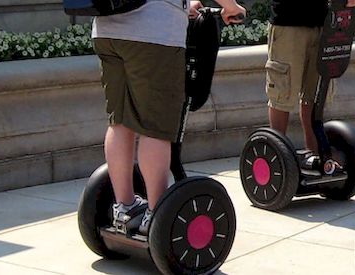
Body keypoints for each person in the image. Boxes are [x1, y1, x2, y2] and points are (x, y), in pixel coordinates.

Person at [93, 0, 245, 235]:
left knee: (120, 122)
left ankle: (124, 208)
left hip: (107, 31)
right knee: (155, 128)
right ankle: (155, 216)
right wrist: (232, 6)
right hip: (154, 34)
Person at [264, 0, 355, 164]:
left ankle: (316, 156)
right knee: (282, 93)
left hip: (323, 22)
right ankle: (276, 159)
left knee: (315, 94)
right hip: (288, 23)